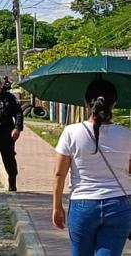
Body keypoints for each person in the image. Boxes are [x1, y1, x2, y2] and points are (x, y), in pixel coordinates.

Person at [52, 80, 131, 256]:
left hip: (83, 205)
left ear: (86, 103)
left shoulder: (71, 132)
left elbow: (59, 173)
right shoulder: (127, 135)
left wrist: (57, 207)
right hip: (119, 205)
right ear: (115, 104)